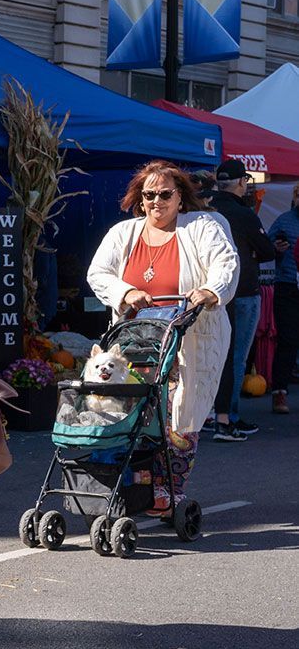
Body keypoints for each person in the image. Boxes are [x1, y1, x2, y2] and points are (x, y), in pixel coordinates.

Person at [87, 160, 238, 516]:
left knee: (177, 419)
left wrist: (210, 290)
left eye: (165, 194)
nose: (157, 201)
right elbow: (99, 272)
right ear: (140, 199)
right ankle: (136, 487)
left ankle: (170, 490)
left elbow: (225, 263)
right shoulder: (123, 233)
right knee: (134, 417)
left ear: (180, 198)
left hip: (186, 341)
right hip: (135, 345)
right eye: (149, 194)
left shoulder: (204, 226)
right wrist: (125, 292)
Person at [208, 159, 274, 442]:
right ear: (240, 183)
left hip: (211, 293)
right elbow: (267, 250)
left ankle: (215, 414)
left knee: (215, 356)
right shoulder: (243, 213)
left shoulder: (206, 210)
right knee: (236, 358)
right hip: (243, 290)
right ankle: (227, 416)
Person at [266, 181, 299, 414]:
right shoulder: (284, 220)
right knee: (288, 340)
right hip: (288, 285)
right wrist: (276, 249)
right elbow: (265, 247)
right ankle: (279, 392)